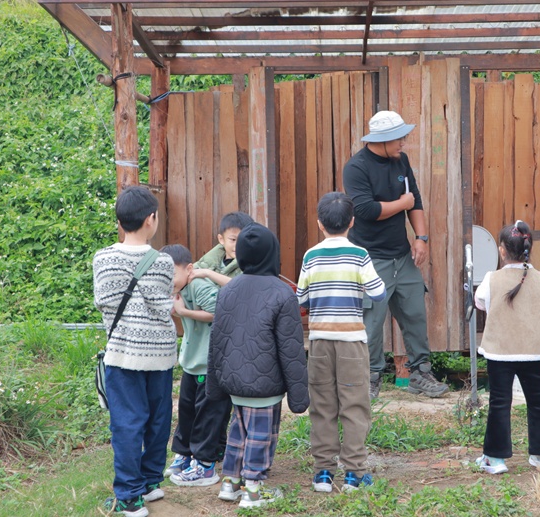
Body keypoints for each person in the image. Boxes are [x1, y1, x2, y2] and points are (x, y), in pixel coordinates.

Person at [342, 110, 447, 399]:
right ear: (384, 139)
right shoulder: (356, 167)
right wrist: (402, 202)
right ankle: (371, 376)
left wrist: (421, 238)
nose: (403, 143)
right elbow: (366, 210)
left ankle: (420, 373)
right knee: (372, 321)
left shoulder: (401, 160)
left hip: (403, 255)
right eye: (399, 138)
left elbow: (416, 200)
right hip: (370, 257)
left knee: (415, 313)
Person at [206, 223, 309, 509]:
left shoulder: (228, 290)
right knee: (262, 435)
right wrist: (299, 396)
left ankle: (230, 482)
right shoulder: (282, 293)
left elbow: (217, 340)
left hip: (233, 379)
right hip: (265, 383)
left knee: (239, 430)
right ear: (272, 254)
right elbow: (290, 349)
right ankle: (253, 489)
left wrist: (214, 384)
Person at [93, 185, 177, 517]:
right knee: (158, 418)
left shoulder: (103, 258)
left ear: (120, 220)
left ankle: (129, 495)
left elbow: (104, 302)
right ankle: (150, 481)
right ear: (150, 220)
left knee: (127, 423)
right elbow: (162, 305)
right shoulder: (163, 261)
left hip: (122, 353)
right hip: (159, 353)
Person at [296, 192, 386, 493]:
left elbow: (302, 299)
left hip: (320, 342)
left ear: (320, 224)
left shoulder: (310, 256)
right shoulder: (360, 255)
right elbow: (378, 293)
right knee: (355, 406)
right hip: (351, 343)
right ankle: (354, 474)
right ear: (352, 222)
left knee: (322, 406)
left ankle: (323, 472)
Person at [474, 220, 540, 475]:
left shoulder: (492, 279)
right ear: (529, 248)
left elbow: (480, 302)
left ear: (502, 251)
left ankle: (496, 459)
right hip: (533, 351)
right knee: (538, 401)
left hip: (500, 351)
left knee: (500, 402)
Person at [159, 244, 231, 487]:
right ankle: (185, 454)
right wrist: (180, 310)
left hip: (208, 364)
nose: (168, 281)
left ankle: (205, 464)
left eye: (173, 275)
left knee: (206, 414)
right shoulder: (180, 287)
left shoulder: (198, 285)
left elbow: (219, 312)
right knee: (187, 409)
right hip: (192, 361)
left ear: (189, 269)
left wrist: (183, 312)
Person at [193, 211, 253, 287]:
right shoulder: (207, 260)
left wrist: (208, 273)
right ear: (221, 239)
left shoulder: (252, 265)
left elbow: (241, 288)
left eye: (243, 240)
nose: (238, 245)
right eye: (233, 240)